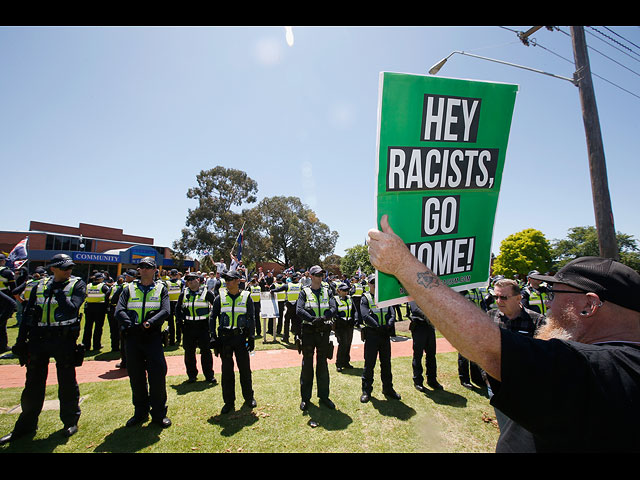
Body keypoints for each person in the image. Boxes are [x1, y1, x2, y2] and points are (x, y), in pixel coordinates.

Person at [368, 214, 640, 452]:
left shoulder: (598, 368)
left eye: (555, 293)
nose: (548, 302)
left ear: (590, 305)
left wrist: (403, 264)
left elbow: (487, 347)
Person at [0, 254, 86, 444]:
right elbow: (29, 314)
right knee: (33, 384)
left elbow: (72, 308)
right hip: (39, 338)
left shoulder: (76, 284)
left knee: (67, 382)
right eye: (64, 268)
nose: (68, 271)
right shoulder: (39, 286)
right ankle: (26, 426)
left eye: (70, 267)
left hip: (63, 339)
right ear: (53, 268)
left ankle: (70, 421)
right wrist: (21, 341)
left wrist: (60, 292)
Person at [115, 257, 171, 428]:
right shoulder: (128, 289)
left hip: (152, 337)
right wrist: (131, 325)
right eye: (142, 267)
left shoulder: (161, 288)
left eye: (148, 267)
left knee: (157, 375)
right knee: (136, 376)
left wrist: (149, 323)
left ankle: (159, 413)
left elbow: (165, 310)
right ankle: (140, 412)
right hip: (133, 338)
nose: (144, 270)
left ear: (155, 270)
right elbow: (119, 310)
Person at [209, 269, 256, 414]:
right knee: (227, 372)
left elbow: (252, 318)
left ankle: (249, 398)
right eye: (226, 280)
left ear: (238, 281)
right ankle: (228, 402)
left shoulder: (247, 296)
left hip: (241, 338)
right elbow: (212, 317)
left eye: (230, 280)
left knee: (245, 370)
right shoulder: (220, 297)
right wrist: (213, 337)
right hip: (225, 339)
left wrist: (252, 337)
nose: (227, 282)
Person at [294, 265, 337, 411]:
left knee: (322, 364)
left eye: (321, 274)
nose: (320, 277)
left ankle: (324, 397)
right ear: (311, 276)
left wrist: (324, 318)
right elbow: (298, 309)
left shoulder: (328, 291)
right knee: (307, 365)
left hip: (323, 332)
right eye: (317, 275)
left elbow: (333, 308)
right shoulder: (304, 292)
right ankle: (305, 398)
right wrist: (313, 319)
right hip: (309, 332)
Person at [359, 274, 401, 403]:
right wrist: (377, 326)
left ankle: (388, 389)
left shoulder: (386, 297)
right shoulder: (365, 298)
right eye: (372, 283)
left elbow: (392, 313)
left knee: (386, 363)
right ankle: (366, 391)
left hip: (384, 334)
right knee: (369, 364)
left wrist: (389, 323)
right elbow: (365, 315)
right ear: (368, 284)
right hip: (372, 334)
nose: (375, 285)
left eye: (376, 282)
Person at [176, 272, 217, 384]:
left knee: (206, 352)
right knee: (189, 352)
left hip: (203, 326)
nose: (189, 282)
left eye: (192, 279)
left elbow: (216, 305)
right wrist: (179, 321)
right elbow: (177, 308)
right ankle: (192, 375)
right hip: (189, 326)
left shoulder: (206, 292)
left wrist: (213, 321)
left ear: (198, 280)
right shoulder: (184, 293)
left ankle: (209, 375)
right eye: (188, 280)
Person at [408, 301, 443, 392]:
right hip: (419, 327)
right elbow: (415, 309)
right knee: (418, 355)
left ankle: (432, 380)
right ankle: (418, 381)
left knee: (431, 355)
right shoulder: (413, 295)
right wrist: (428, 316)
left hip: (429, 327)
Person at [82, 273, 110, 351]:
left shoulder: (88, 286)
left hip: (89, 308)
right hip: (100, 308)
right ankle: (96, 345)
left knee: (88, 327)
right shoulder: (103, 286)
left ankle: (86, 345)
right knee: (98, 328)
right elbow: (108, 296)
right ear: (100, 279)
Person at [334, 283, 356, 372]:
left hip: (349, 325)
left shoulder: (350, 299)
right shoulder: (335, 299)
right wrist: (340, 320)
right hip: (340, 325)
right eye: (344, 290)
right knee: (342, 343)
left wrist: (354, 320)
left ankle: (346, 362)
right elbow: (334, 312)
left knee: (348, 343)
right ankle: (339, 363)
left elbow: (354, 310)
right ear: (339, 291)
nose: (346, 292)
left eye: (347, 290)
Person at [0, 254, 16, 352]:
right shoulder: (7, 272)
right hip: (4, 300)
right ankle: (2, 346)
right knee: (2, 324)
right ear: (2, 261)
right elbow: (13, 288)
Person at [164, 269, 183, 346]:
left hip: (176, 304)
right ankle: (174, 339)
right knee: (173, 322)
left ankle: (175, 339)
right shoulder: (168, 283)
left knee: (176, 322)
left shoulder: (180, 282)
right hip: (172, 304)